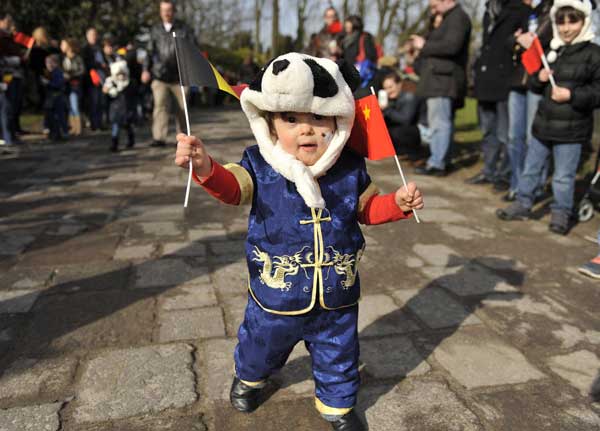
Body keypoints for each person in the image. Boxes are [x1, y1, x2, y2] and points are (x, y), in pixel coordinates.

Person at [174, 53, 424, 431]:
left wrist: (397, 204)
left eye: (318, 119)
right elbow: (232, 189)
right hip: (277, 296)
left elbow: (368, 209)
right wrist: (206, 168)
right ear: (271, 124)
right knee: (261, 346)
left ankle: (337, 405)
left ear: (338, 121)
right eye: (291, 119)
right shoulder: (259, 164)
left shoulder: (349, 167)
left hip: (337, 293)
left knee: (338, 352)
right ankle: (250, 377)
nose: (306, 130)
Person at [497, 0, 600, 235]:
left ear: (584, 21)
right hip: (543, 125)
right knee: (531, 169)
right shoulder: (554, 51)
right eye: (561, 22)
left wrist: (572, 95)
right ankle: (523, 202)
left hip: (571, 131)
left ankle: (561, 212)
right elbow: (535, 87)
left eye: (572, 21)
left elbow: (597, 91)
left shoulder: (594, 54)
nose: (566, 28)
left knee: (563, 177)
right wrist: (539, 78)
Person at [468, 0, 531, 190]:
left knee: (505, 133)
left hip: (506, 79)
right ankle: (489, 170)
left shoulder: (521, 11)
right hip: (485, 78)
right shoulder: (489, 10)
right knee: (488, 130)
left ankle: (504, 174)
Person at [410, 0, 472, 176]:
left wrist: (424, 45)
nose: (433, 8)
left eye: (435, 4)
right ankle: (442, 159)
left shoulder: (458, 18)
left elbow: (452, 46)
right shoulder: (449, 18)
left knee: (439, 122)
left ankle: (437, 163)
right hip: (439, 79)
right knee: (441, 121)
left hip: (443, 81)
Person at [505, 0, 554, 202]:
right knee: (514, 137)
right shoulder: (533, 11)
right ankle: (516, 184)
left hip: (538, 82)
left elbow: (552, 41)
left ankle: (534, 186)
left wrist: (531, 41)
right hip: (518, 80)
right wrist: (517, 41)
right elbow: (509, 39)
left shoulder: (561, 8)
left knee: (532, 137)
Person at [142, 0, 194, 147]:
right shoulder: (155, 30)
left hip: (180, 76)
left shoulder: (184, 29)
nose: (166, 13)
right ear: (160, 12)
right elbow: (149, 52)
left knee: (182, 108)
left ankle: (184, 138)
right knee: (160, 106)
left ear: (174, 11)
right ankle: (159, 137)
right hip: (159, 76)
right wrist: (145, 69)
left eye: (169, 10)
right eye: (163, 10)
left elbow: (192, 49)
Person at [380, 71, 424, 161]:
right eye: (386, 88)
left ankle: (409, 152)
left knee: (396, 131)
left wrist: (387, 109)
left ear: (399, 85)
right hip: (403, 131)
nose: (388, 91)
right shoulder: (391, 99)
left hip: (417, 132)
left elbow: (405, 120)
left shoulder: (409, 97)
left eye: (390, 87)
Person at [103, 59, 136, 152]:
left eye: (122, 74)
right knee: (115, 126)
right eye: (118, 74)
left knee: (128, 125)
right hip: (115, 108)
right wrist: (110, 91)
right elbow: (104, 89)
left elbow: (134, 92)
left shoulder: (129, 82)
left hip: (126, 108)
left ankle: (131, 140)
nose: (120, 76)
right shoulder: (110, 81)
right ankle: (114, 143)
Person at [341, 15, 378, 91]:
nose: (346, 26)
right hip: (349, 75)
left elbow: (371, 56)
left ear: (355, 24)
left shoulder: (364, 38)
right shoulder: (345, 40)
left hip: (362, 76)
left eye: (348, 23)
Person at [81, 27, 107, 131]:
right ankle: (94, 123)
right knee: (94, 102)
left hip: (102, 78)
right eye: (92, 35)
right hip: (92, 79)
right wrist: (99, 65)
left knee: (101, 102)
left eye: (95, 35)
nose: (94, 37)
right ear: (87, 36)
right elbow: (87, 63)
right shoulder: (86, 49)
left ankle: (100, 123)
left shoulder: (99, 48)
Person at [60, 38, 85, 136]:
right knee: (70, 107)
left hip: (74, 85)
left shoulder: (77, 58)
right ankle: (73, 128)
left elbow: (82, 70)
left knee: (75, 106)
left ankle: (78, 128)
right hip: (66, 86)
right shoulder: (63, 58)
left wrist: (72, 75)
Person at [42, 54, 68, 141]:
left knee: (59, 116)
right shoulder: (49, 72)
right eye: (46, 63)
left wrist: (47, 83)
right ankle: (53, 132)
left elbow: (58, 84)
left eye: (50, 63)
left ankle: (61, 133)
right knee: (50, 116)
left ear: (56, 63)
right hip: (51, 98)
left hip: (57, 97)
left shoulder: (58, 72)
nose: (48, 65)